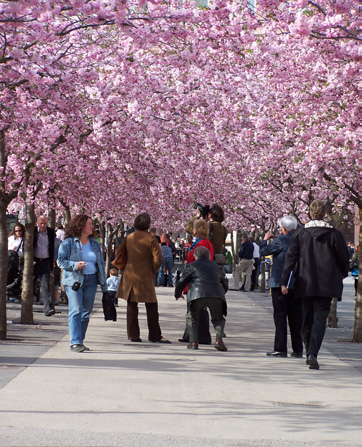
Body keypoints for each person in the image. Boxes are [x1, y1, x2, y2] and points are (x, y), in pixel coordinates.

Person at [281, 200, 350, 370]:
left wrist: (285, 281)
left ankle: (308, 348)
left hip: (305, 282)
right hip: (326, 284)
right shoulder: (334, 234)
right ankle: (313, 352)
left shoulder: (300, 234)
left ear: (310, 214)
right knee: (320, 319)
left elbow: (290, 258)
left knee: (307, 318)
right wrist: (342, 273)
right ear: (324, 214)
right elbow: (344, 258)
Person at [112, 212, 170, 344]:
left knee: (132, 306)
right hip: (145, 276)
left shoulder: (129, 237)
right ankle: (155, 335)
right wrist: (152, 271)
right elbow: (158, 259)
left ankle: (133, 335)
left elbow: (118, 252)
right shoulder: (151, 239)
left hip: (130, 275)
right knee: (151, 305)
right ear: (148, 224)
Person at [57, 214, 108, 353]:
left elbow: (101, 265)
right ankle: (75, 342)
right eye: (89, 224)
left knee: (86, 312)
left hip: (91, 281)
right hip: (74, 281)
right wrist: (74, 265)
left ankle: (79, 341)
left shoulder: (95, 244)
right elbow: (60, 261)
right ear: (80, 226)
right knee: (76, 309)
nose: (92, 226)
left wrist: (104, 285)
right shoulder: (68, 243)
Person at [260, 215, 303, 358]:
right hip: (296, 283)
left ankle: (280, 348)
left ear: (283, 228)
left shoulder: (281, 240)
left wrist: (265, 240)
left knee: (280, 316)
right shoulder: (301, 239)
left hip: (279, 282)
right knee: (296, 317)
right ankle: (298, 349)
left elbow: (263, 252)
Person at [175, 246, 228, 351]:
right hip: (216, 294)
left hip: (197, 295)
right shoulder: (216, 267)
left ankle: (193, 341)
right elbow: (225, 283)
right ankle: (219, 340)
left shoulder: (191, 266)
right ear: (208, 256)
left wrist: (177, 294)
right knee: (218, 318)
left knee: (192, 317)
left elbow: (181, 282)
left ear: (195, 256)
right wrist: (222, 293)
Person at [179, 219, 215, 344]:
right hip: (202, 279)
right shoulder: (205, 242)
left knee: (195, 309)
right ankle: (190, 334)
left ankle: (196, 336)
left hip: (196, 279)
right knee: (197, 309)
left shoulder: (201, 244)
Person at [33, 215, 55, 316]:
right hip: (34, 261)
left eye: (45, 223)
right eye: (41, 223)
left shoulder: (50, 232)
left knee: (45, 286)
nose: (43, 225)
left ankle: (47, 309)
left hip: (46, 261)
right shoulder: (33, 231)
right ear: (37, 223)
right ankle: (27, 307)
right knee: (31, 285)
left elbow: (52, 247)